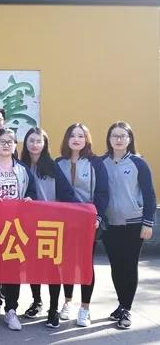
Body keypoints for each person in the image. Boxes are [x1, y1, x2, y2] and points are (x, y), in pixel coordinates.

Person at [102, 121, 156, 329]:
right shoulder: (101, 163)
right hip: (110, 224)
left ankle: (126, 308)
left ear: (129, 139)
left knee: (129, 265)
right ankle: (121, 304)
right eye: (114, 135)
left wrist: (148, 223)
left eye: (123, 136)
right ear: (109, 139)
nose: (118, 139)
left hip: (134, 223)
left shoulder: (138, 163)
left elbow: (149, 195)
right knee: (116, 266)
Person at [20, 127, 76, 328]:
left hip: (50, 226)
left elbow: (68, 194)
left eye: (39, 141)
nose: (35, 144)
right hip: (26, 226)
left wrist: (85, 212)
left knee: (53, 268)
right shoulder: (19, 165)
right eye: (31, 140)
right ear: (25, 143)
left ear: (44, 144)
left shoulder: (53, 167)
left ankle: (53, 309)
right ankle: (37, 301)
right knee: (32, 267)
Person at [56, 123, 109, 327]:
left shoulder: (96, 163)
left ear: (86, 140)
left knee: (85, 264)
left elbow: (102, 193)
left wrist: (97, 217)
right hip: (64, 222)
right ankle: (67, 302)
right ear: (67, 139)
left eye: (81, 136)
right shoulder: (58, 163)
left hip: (88, 222)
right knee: (66, 263)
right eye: (73, 135)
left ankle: (85, 308)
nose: (76, 139)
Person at [0, 128, 36, 331]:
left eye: (10, 141)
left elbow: (31, 190)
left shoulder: (22, 169)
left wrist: (29, 198)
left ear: (15, 146)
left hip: (15, 226)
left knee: (13, 268)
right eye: (2, 141)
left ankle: (11, 309)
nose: (6, 145)